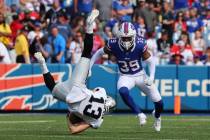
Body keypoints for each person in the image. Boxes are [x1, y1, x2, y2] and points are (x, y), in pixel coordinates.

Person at [34, 10, 114, 134]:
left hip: (78, 86)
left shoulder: (102, 94)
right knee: (52, 87)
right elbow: (73, 130)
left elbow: (95, 91)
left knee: (87, 53)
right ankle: (43, 64)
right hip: (69, 97)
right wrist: (69, 117)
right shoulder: (97, 121)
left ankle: (89, 25)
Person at [89, 22, 163, 132]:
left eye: (129, 38)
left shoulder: (140, 44)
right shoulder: (113, 44)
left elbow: (151, 61)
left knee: (159, 103)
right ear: (119, 36)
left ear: (133, 36)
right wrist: (89, 67)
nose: (127, 41)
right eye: (124, 38)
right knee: (122, 91)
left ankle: (157, 117)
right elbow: (98, 53)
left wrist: (151, 76)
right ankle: (139, 114)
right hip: (125, 76)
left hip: (140, 75)